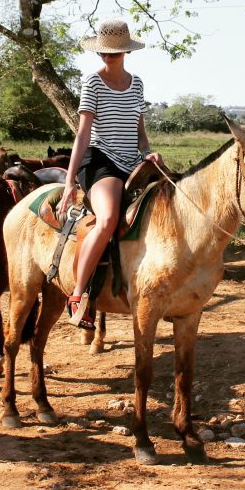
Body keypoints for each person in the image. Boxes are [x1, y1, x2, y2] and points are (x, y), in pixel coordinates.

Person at [57, 19, 164, 329]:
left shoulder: (137, 84)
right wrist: (69, 180)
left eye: (115, 52)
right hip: (100, 161)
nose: (109, 56)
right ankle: (79, 296)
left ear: (127, 52)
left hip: (132, 161)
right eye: (105, 52)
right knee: (106, 220)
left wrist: (147, 154)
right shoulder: (92, 82)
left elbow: (140, 133)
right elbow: (83, 133)